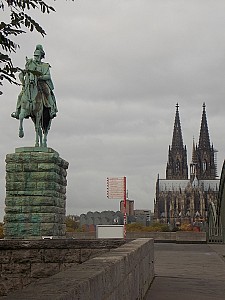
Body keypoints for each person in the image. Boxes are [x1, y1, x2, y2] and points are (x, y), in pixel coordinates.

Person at [11, 45, 57, 119]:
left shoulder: (45, 66)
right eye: (35, 56)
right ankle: (17, 112)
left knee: (47, 92)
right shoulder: (30, 63)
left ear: (41, 56)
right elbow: (25, 72)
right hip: (30, 83)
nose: (36, 57)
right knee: (20, 95)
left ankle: (52, 109)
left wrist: (40, 77)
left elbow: (48, 76)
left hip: (41, 83)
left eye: (38, 56)